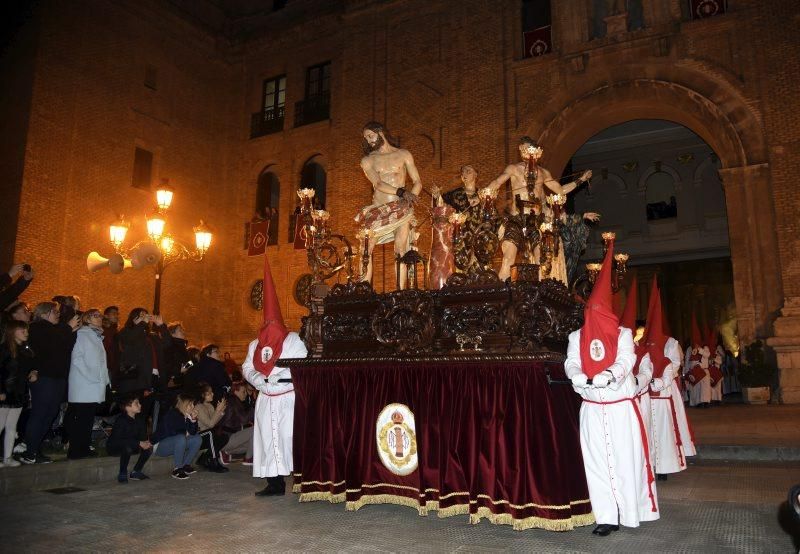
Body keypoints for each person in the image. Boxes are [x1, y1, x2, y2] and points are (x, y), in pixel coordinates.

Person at [563, 239, 658, 536]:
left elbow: (627, 359)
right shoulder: (576, 336)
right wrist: (577, 376)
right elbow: (571, 362)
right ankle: (605, 516)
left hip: (619, 409)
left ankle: (630, 511)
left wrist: (610, 374)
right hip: (591, 408)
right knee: (596, 463)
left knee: (625, 461)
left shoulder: (624, 334)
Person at [242, 252, 308, 496]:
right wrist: (260, 379)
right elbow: (247, 367)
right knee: (267, 439)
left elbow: (300, 364)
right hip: (265, 398)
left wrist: (277, 374)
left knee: (289, 438)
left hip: (287, 398)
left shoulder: (294, 341)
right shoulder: (254, 344)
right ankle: (274, 483)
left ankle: (301, 481)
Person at [484, 137, 591, 281]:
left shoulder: (544, 173)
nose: (523, 153)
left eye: (527, 149)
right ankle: (498, 295)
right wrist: (487, 193)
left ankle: (539, 296)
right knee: (508, 259)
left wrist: (581, 180)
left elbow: (560, 190)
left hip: (536, 222)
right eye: (521, 150)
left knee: (542, 261)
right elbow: (497, 182)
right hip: (516, 220)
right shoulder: (514, 168)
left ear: (536, 151)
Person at [355, 121, 423, 287]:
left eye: (370, 136)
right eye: (366, 138)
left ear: (380, 133)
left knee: (401, 248)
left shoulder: (404, 154)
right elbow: (378, 184)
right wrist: (401, 192)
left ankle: (400, 291)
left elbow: (417, 181)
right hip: (379, 208)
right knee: (365, 248)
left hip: (401, 208)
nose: (369, 140)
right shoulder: (368, 160)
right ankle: (363, 290)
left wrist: (410, 197)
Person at [22, 301, 79, 464]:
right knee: (40, 413)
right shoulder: (36, 328)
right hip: (44, 377)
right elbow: (50, 346)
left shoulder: (57, 329)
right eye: (55, 312)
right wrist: (67, 328)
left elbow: (64, 348)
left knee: (50, 414)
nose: (58, 315)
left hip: (58, 377)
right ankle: (30, 451)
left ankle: (35, 449)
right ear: (44, 313)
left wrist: (71, 332)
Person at [640, 280, 686, 480]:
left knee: (665, 432)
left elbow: (674, 366)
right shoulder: (642, 346)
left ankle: (665, 465)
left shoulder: (671, 344)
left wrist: (658, 379)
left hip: (664, 393)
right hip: (646, 398)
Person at [65, 309, 110, 459]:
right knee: (82, 420)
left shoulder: (96, 336)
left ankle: (83, 448)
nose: (99, 318)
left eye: (100, 316)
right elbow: (77, 358)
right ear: (87, 319)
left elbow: (101, 362)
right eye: (95, 316)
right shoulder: (82, 334)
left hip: (93, 385)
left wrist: (104, 380)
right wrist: (92, 376)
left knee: (88, 419)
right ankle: (75, 451)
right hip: (84, 385)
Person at [0, 320, 35, 467]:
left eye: (26, 330)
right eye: (22, 330)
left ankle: (8, 457)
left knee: (11, 427)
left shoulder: (24, 350)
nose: (26, 333)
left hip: (19, 392)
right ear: (12, 332)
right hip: (6, 392)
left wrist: (33, 372)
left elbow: (28, 368)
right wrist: (1, 390)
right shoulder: (4, 349)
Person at [151, 393, 202, 480]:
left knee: (197, 438)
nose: (193, 406)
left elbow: (192, 433)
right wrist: (185, 432)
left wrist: (193, 420)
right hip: (160, 445)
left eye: (193, 404)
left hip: (177, 443)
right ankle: (177, 469)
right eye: (190, 404)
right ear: (183, 404)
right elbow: (169, 432)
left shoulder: (187, 416)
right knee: (180, 437)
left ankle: (186, 465)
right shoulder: (172, 414)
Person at [106, 393, 152, 483]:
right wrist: (138, 443)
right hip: (116, 447)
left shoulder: (140, 419)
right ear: (127, 407)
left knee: (148, 448)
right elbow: (118, 440)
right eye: (136, 403)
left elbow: (142, 437)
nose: (140, 405)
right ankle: (122, 473)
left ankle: (136, 471)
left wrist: (147, 442)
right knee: (127, 448)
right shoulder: (121, 420)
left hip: (132, 445)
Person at [218, 381, 255, 465]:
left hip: (225, 438)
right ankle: (248, 459)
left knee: (253, 443)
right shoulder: (233, 401)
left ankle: (225, 452)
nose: (245, 394)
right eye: (243, 392)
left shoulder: (234, 401)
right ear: (235, 391)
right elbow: (244, 420)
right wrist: (253, 406)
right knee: (255, 431)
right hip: (227, 437)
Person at [194, 382, 229, 473]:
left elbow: (214, 422)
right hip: (198, 436)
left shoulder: (209, 405)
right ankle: (214, 461)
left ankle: (204, 458)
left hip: (208, 435)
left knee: (224, 436)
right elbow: (210, 424)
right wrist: (218, 410)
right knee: (211, 433)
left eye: (212, 392)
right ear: (202, 395)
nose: (212, 394)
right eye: (209, 393)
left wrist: (221, 411)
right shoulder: (198, 407)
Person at [102, 306, 120, 378]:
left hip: (114, 366)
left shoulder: (115, 330)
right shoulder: (103, 330)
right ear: (106, 316)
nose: (116, 316)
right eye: (114, 313)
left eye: (117, 314)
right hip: (106, 365)